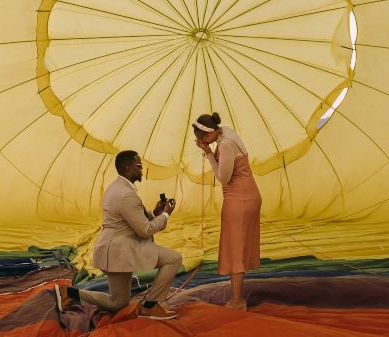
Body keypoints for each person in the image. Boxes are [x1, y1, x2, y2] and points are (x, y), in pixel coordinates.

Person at [54, 150, 181, 320]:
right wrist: (165, 214)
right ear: (127, 167)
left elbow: (130, 220)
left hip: (111, 251)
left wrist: (154, 213)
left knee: (118, 303)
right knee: (173, 258)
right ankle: (151, 305)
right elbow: (145, 230)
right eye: (139, 166)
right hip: (120, 250)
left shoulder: (116, 188)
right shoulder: (127, 194)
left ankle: (69, 293)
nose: (142, 169)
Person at [193, 113, 261, 310]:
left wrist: (207, 154)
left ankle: (238, 301)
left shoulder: (225, 145)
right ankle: (238, 295)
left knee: (236, 248)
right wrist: (208, 148)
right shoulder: (227, 135)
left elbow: (223, 177)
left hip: (239, 199)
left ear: (212, 132)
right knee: (237, 246)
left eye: (202, 137)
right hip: (246, 196)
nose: (200, 140)